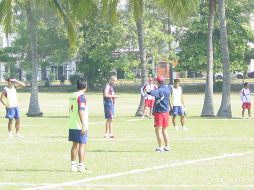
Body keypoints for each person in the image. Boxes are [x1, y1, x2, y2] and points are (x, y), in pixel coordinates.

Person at [68, 79, 90, 173]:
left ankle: (73, 166)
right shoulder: (81, 97)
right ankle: (81, 166)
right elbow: (81, 110)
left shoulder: (72, 95)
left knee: (74, 145)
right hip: (79, 125)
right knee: (82, 145)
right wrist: (83, 125)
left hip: (72, 123)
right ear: (85, 86)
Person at [146, 76, 171, 152]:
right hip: (166, 112)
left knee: (158, 130)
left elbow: (149, 92)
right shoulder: (167, 88)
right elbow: (170, 87)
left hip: (159, 112)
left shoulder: (159, 90)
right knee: (164, 130)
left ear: (157, 82)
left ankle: (161, 147)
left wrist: (147, 89)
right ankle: (167, 146)